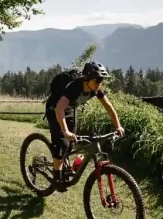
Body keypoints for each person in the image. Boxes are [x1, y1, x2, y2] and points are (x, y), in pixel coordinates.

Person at [45, 61, 124, 191]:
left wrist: (118, 126)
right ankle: (56, 178)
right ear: (87, 79)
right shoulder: (74, 88)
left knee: (71, 144)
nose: (100, 83)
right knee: (62, 145)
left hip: (69, 112)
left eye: (102, 80)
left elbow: (109, 107)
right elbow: (59, 109)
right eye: (98, 80)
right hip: (55, 111)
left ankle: (64, 166)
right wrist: (65, 131)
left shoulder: (95, 89)